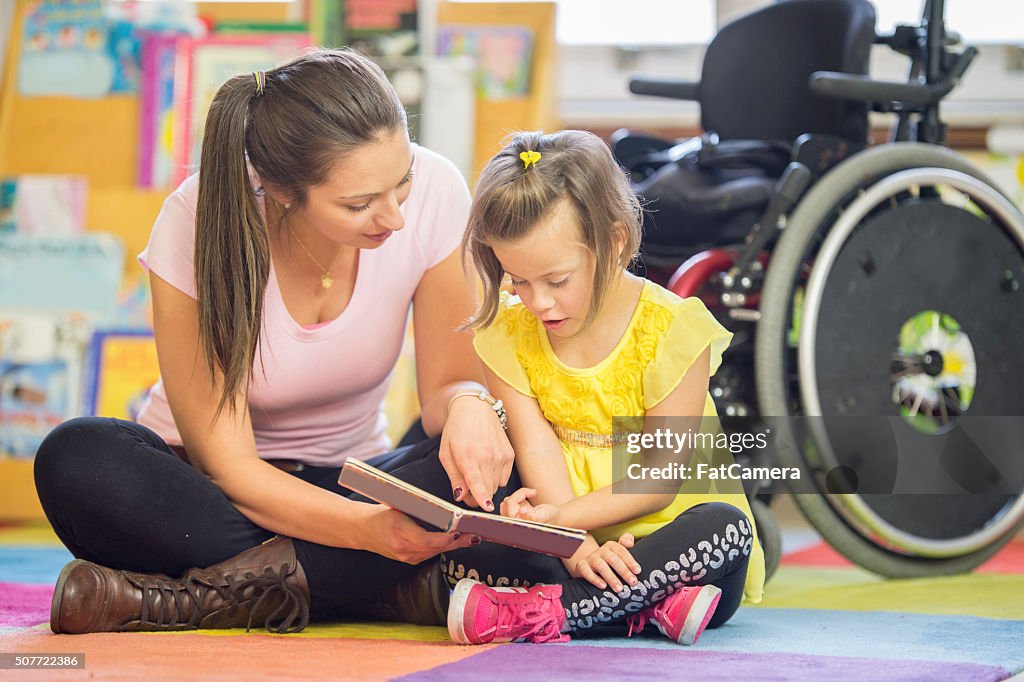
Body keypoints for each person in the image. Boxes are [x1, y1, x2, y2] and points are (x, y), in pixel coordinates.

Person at [32, 48, 514, 635]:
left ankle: (204, 595)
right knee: (79, 457)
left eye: (402, 180)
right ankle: (369, 584)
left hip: (352, 476)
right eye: (358, 204)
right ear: (283, 191)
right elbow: (230, 467)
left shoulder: (439, 190)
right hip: (213, 496)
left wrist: (471, 406)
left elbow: (445, 388)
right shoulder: (196, 220)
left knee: (499, 461)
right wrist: (366, 532)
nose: (394, 217)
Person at [442, 130, 766, 645]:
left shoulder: (674, 329)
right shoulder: (508, 331)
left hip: (672, 543)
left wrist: (561, 520)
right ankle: (643, 607)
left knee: (726, 529)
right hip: (565, 545)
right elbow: (535, 448)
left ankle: (536, 615)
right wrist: (574, 544)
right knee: (472, 531)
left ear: (613, 241)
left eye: (557, 279)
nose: (539, 303)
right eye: (519, 281)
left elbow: (661, 479)